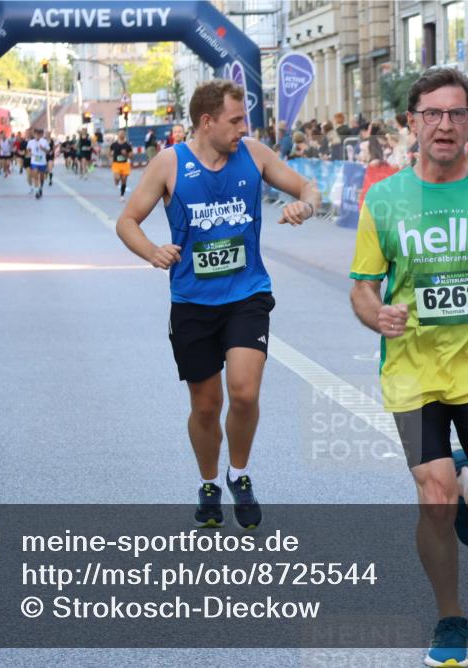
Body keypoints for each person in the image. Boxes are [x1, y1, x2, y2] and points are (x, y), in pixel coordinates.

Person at [348, 67, 468, 668]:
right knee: (432, 495)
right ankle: (450, 617)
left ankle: (467, 482)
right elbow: (362, 285)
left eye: (455, 113)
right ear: (412, 122)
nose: (443, 124)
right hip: (411, 373)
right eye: (431, 113)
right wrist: (376, 315)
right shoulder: (383, 199)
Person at [115, 80, 319, 532]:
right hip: (192, 302)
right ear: (206, 121)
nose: (243, 127)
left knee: (244, 392)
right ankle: (209, 482)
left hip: (247, 294)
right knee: (206, 405)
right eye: (235, 120)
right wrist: (151, 251)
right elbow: (127, 221)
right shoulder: (171, 163)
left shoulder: (253, 154)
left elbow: (308, 187)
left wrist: (305, 207)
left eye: (243, 119)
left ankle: (239, 475)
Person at [26, 128, 50, 199]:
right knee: (35, 176)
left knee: (42, 178)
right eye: (36, 134)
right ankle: (37, 191)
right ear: (34, 134)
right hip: (34, 162)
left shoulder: (44, 141)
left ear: (41, 135)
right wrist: (30, 153)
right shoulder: (30, 142)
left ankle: (41, 188)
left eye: (39, 134)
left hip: (42, 162)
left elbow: (48, 151)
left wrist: (43, 149)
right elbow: (28, 149)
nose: (37, 136)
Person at [110, 129, 133, 201]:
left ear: (124, 135)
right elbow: (109, 153)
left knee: (124, 180)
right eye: (120, 133)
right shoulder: (114, 145)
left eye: (123, 133)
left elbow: (131, 156)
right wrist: (110, 157)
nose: (121, 135)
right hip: (116, 164)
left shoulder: (127, 145)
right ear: (118, 135)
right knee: (117, 178)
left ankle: (122, 195)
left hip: (125, 164)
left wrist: (126, 154)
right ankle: (116, 181)